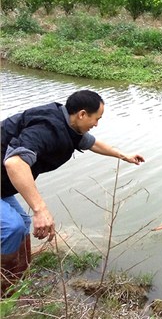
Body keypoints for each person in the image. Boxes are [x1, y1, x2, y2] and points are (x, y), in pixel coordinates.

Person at [1, 90, 145, 295]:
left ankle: (16, 284)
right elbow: (15, 163)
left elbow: (92, 142)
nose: (97, 124)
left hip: (3, 186)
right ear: (82, 114)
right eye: (97, 119)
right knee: (12, 228)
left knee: (22, 226)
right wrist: (40, 209)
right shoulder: (46, 129)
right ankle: (3, 289)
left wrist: (124, 155)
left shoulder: (67, 123)